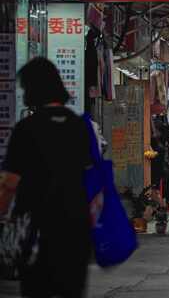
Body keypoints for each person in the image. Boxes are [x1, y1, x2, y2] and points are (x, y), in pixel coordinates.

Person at [0, 57, 92, 297]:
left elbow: (9, 184)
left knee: (36, 290)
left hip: (37, 230)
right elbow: (91, 177)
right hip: (75, 230)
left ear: (32, 89)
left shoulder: (26, 129)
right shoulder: (80, 127)